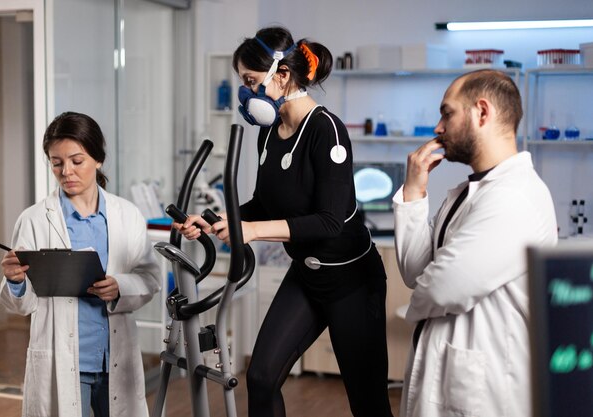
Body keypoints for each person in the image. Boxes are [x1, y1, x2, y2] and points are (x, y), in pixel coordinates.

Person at [176, 26, 394, 417]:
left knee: (368, 402)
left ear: (282, 75)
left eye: (250, 81)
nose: (246, 93)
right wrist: (219, 220)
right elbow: (264, 203)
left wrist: (251, 231)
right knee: (260, 378)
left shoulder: (326, 130)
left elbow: (329, 222)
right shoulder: (269, 133)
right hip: (307, 277)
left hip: (351, 282)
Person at [393, 69, 557, 417]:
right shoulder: (466, 194)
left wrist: (420, 299)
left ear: (482, 112)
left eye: (447, 113)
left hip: (485, 393)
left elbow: (441, 289)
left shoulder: (515, 196)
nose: (438, 128)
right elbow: (415, 272)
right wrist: (413, 191)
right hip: (445, 379)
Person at [0, 112, 161, 417]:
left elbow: (150, 278)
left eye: (76, 161)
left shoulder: (127, 215)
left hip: (115, 355)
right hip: (63, 356)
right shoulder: (34, 219)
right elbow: (21, 305)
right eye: (56, 162)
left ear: (98, 159)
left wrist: (119, 286)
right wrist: (16, 281)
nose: (66, 171)